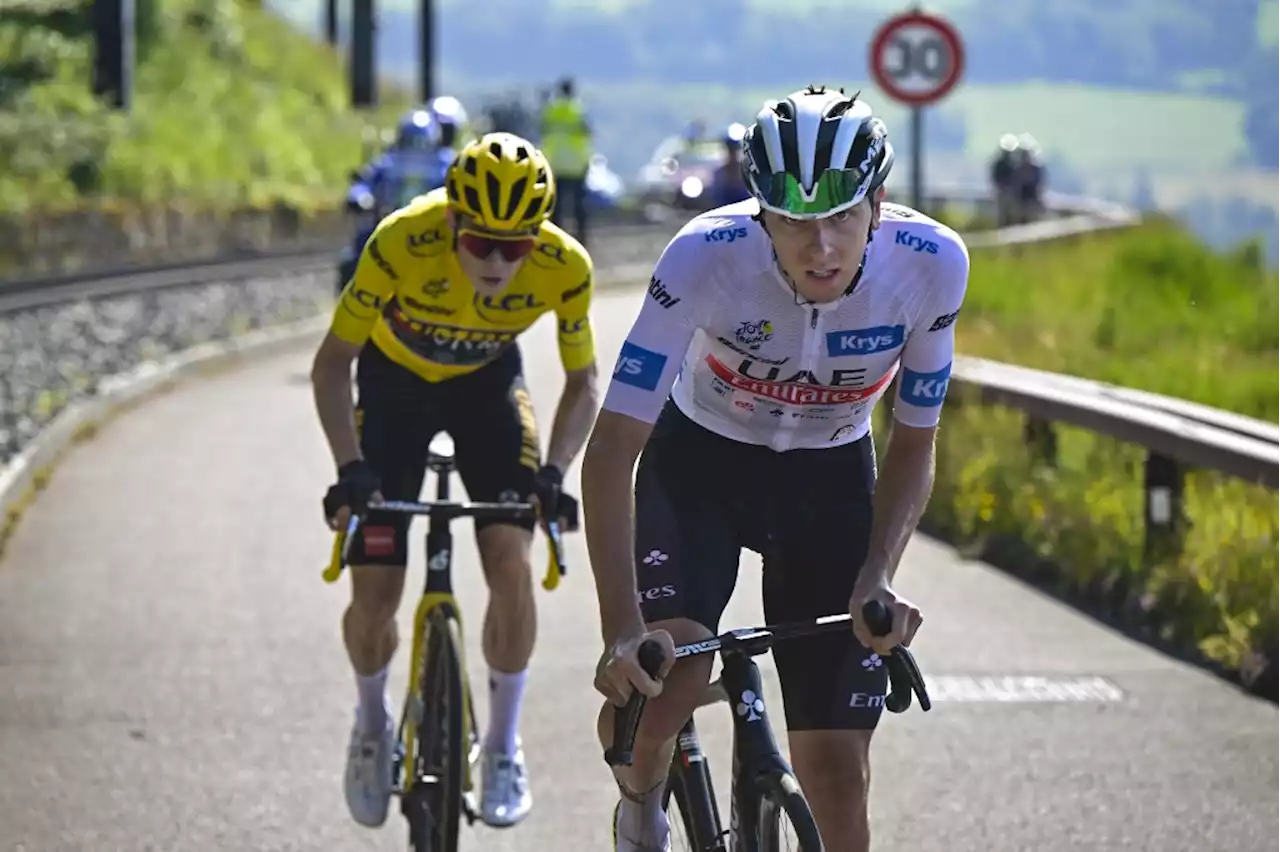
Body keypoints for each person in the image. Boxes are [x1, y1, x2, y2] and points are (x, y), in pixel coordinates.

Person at [582, 85, 970, 852]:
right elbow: (613, 448)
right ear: (762, 213)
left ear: (879, 206)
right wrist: (622, 630)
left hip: (828, 481)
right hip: (699, 468)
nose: (819, 246)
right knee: (667, 687)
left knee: (835, 777)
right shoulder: (703, 257)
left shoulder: (933, 267)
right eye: (793, 221)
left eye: (841, 217)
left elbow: (913, 442)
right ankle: (638, 812)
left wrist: (878, 576)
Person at [312, 132, 600, 831]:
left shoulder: (566, 265)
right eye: (482, 245)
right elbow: (332, 365)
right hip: (393, 390)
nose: (500, 262)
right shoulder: (401, 240)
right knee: (375, 593)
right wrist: (350, 470)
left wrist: (556, 473)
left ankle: (502, 743)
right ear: (451, 225)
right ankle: (373, 722)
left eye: (517, 247)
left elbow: (584, 381)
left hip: (486, 390)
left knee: (511, 566)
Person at [339, 109, 457, 291]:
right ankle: (352, 301)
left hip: (434, 229)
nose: (415, 149)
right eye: (409, 141)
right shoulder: (387, 162)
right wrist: (359, 197)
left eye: (421, 143)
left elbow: (458, 189)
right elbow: (366, 182)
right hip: (387, 224)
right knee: (356, 254)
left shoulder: (446, 164)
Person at [540, 76, 594, 246]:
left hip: (556, 163)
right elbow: (588, 134)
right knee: (579, 206)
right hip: (576, 165)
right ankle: (582, 239)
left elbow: (543, 132)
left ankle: (555, 239)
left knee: (556, 208)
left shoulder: (551, 110)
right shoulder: (579, 110)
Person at [706, 122, 751, 208]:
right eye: (730, 149)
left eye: (735, 149)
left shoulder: (749, 173)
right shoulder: (719, 174)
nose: (732, 154)